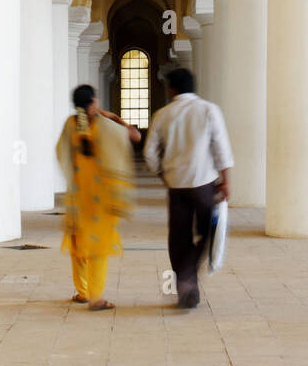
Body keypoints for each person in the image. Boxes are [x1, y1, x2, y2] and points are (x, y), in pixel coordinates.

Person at [144, 68, 233, 309]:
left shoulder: (163, 114)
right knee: (208, 231)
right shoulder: (208, 109)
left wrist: (163, 174)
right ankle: (189, 277)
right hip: (203, 183)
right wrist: (226, 180)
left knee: (179, 237)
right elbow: (221, 147)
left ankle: (186, 282)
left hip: (176, 185)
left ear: (171, 88)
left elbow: (150, 153)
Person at [55, 85, 139, 311]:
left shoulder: (70, 125)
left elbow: (61, 153)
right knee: (98, 248)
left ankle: (82, 292)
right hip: (101, 198)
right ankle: (95, 297)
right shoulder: (106, 126)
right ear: (93, 102)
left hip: (78, 195)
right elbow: (135, 136)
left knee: (78, 244)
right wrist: (115, 118)